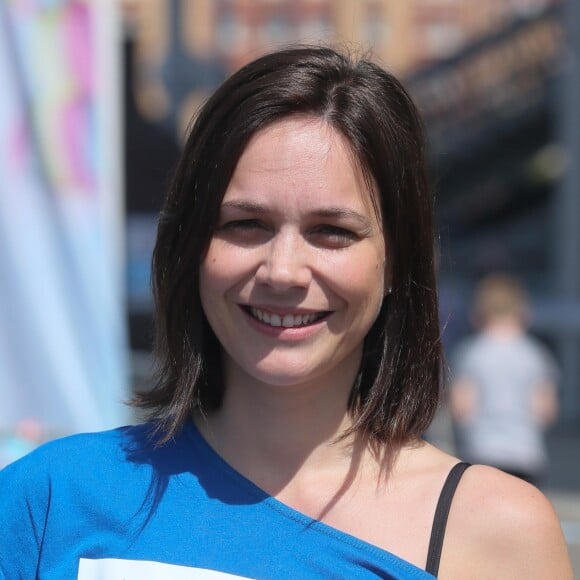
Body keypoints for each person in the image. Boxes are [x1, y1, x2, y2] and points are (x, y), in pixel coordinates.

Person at [0, 47, 572, 579]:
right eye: (245, 224)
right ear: (192, 247)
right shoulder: (50, 499)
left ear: (395, 259)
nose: (282, 270)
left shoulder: (499, 533)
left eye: (332, 232)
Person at [449, 273, 560, 486]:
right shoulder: (536, 355)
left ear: (478, 314)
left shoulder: (470, 353)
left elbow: (461, 408)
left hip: (480, 452)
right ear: (524, 312)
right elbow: (546, 411)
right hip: (525, 455)